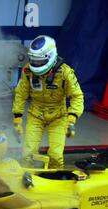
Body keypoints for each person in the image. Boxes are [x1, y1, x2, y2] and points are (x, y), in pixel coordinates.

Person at [12, 35, 84, 169]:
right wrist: (17, 120)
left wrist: (71, 120)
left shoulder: (65, 73)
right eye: (33, 60)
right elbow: (20, 94)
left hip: (58, 117)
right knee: (28, 153)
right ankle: (25, 179)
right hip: (35, 115)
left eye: (39, 61)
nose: (35, 64)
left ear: (50, 57)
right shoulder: (28, 71)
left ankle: (56, 181)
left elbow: (77, 96)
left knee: (56, 155)